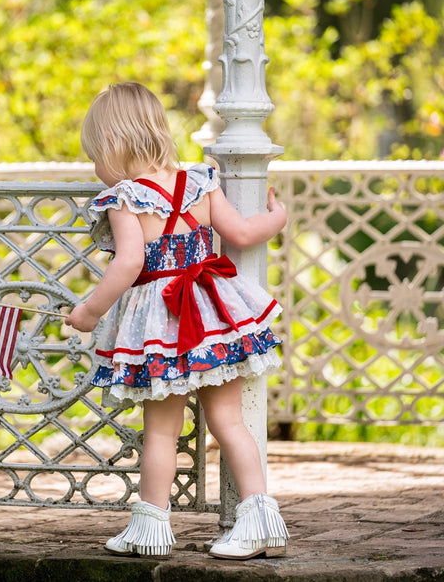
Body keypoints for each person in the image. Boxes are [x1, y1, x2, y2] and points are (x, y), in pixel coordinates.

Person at [65, 82, 289, 560]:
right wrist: (279, 216)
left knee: (162, 432)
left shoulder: (126, 197)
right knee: (228, 421)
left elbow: (127, 265)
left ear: (112, 144)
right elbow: (244, 233)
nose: (95, 170)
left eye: (94, 157)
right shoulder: (199, 182)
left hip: (162, 325)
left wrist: (88, 312)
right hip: (215, 313)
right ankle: (259, 521)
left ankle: (150, 528)